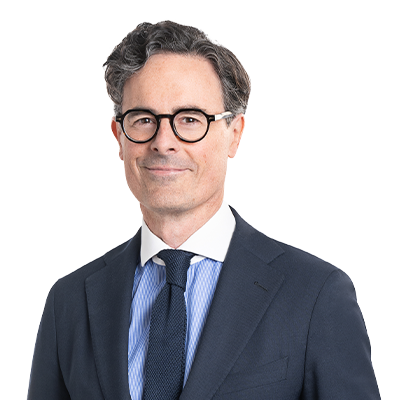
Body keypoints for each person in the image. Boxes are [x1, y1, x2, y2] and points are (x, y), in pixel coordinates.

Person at [27, 20, 381, 400]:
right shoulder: (68, 303)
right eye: (143, 120)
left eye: (190, 120)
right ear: (119, 137)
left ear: (234, 134)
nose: (164, 142)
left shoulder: (315, 295)